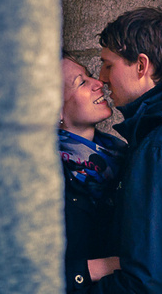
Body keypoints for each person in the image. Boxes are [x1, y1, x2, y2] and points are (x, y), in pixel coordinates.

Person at [90, 7, 162, 294]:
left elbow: (146, 283)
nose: (101, 78)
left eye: (108, 65)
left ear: (141, 66)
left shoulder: (158, 145)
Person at [62, 57, 124, 289]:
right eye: (81, 83)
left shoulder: (122, 155)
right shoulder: (38, 176)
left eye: (89, 75)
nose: (98, 82)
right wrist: (98, 268)